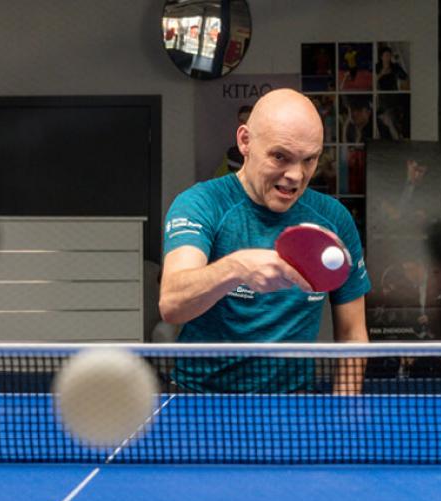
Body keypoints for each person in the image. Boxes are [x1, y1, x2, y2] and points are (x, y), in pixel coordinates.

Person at [159, 89, 371, 394]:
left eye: (309, 159)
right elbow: (172, 304)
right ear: (245, 141)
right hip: (200, 401)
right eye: (280, 156)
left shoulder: (333, 218)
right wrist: (235, 268)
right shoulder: (201, 204)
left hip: (293, 404)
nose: (295, 175)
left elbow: (352, 334)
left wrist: (345, 412)